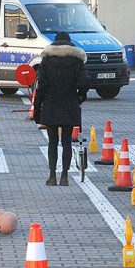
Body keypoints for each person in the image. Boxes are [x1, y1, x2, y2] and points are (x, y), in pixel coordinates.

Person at [34, 32, 89, 187]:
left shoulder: (47, 61)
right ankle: (64, 176)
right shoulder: (77, 60)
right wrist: (80, 96)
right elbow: (85, 81)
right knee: (66, 142)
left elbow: (41, 86)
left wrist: (37, 110)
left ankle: (52, 176)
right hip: (69, 104)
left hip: (51, 105)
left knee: (52, 142)